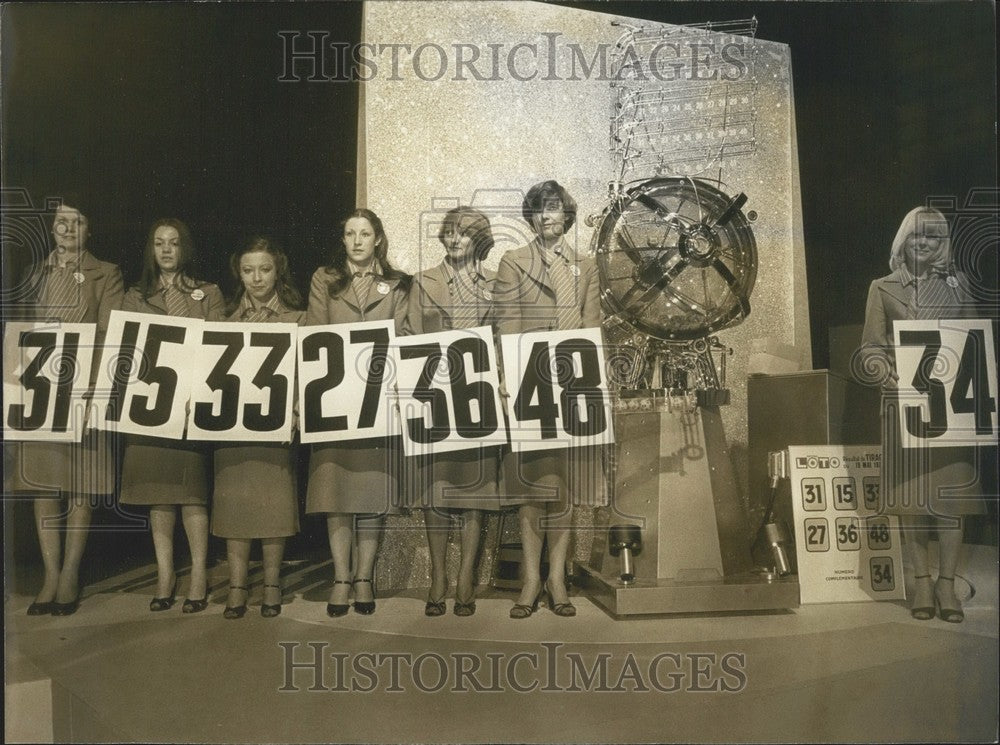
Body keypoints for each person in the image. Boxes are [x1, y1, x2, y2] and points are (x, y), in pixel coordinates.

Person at [858, 205, 987, 623]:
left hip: (951, 407)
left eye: (934, 237)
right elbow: (870, 348)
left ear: (942, 243)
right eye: (918, 236)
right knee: (912, 502)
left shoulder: (959, 285)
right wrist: (885, 373)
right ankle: (920, 582)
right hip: (904, 405)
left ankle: (947, 584)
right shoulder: (882, 288)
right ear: (903, 240)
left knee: (951, 500)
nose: (925, 243)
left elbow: (974, 342)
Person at [5, 198, 124, 616]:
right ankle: (50, 574)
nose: (68, 229)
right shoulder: (32, 273)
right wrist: (14, 390)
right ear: (52, 229)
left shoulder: (106, 273)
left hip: (83, 388)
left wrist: (96, 390)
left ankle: (71, 573)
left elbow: (110, 333)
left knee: (80, 483)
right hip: (39, 390)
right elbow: (18, 335)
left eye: (77, 221)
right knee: (43, 482)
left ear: (88, 230)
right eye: (61, 222)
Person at [494, 180, 602, 619]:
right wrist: (511, 379)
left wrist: (594, 381)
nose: (547, 216)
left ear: (567, 215)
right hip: (531, 381)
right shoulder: (512, 262)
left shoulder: (586, 265)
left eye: (555, 208)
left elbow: (593, 326)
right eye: (539, 209)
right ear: (531, 217)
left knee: (564, 488)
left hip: (574, 382)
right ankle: (530, 580)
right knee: (531, 487)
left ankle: (557, 579)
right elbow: (507, 326)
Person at [305, 208, 409, 616]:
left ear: (378, 239)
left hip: (378, 400)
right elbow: (314, 333)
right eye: (350, 234)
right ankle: (341, 577)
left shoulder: (398, 285)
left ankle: (364, 577)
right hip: (333, 399)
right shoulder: (325, 280)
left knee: (370, 491)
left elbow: (402, 338)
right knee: (336, 491)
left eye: (365, 233)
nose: (358, 240)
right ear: (343, 240)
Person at [119, 218, 224, 613]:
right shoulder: (135, 295)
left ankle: (198, 572)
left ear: (185, 249)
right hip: (149, 408)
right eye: (159, 243)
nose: (166, 250)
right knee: (157, 496)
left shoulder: (207, 293)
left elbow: (217, 346)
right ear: (151, 250)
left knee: (192, 494)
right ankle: (165, 574)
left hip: (191, 407)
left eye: (174, 243)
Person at [402, 207, 501, 617]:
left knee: (475, 492)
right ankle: (439, 576)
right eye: (451, 232)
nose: (457, 239)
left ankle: (465, 579)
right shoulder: (423, 282)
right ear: (442, 238)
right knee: (436, 492)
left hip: (479, 398)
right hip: (434, 397)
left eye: (467, 233)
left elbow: (503, 338)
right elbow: (406, 335)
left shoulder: (497, 284)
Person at [211, 237, 304, 619]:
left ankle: (271, 584)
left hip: (276, 427)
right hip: (232, 428)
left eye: (264, 269)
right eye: (248, 270)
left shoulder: (299, 317)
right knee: (233, 503)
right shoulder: (224, 318)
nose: (256, 277)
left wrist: (297, 409)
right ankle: (236, 584)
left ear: (277, 270)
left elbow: (305, 373)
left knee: (273, 506)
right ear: (239, 273)